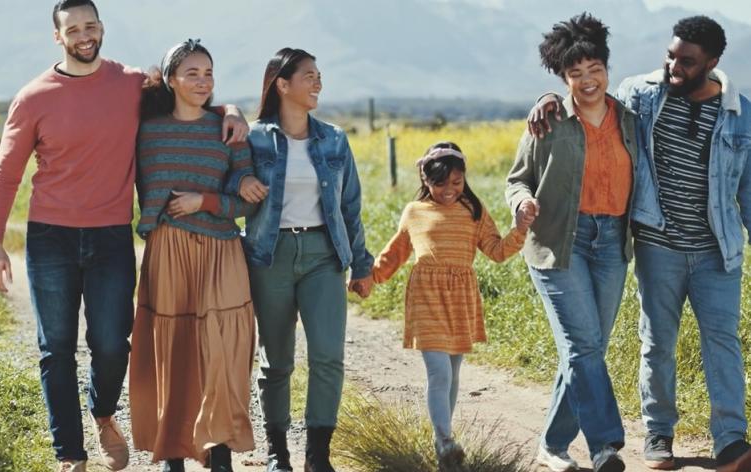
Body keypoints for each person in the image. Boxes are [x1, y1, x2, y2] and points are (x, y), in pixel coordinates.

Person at [0, 2, 247, 471]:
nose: (85, 35)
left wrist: (232, 108)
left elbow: (188, 90)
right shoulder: (33, 96)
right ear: (57, 37)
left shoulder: (129, 84)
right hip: (50, 236)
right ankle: (70, 453)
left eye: (92, 26)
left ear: (101, 29)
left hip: (109, 235)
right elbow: (6, 171)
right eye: (74, 29)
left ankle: (103, 414)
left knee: (110, 342)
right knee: (55, 346)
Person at [528, 15, 751, 472]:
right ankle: (656, 435)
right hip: (656, 244)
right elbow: (585, 95)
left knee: (721, 342)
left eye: (686, 61)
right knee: (654, 343)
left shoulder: (741, 114)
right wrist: (548, 96)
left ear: (711, 62)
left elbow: (747, 190)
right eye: (670, 55)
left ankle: (731, 440)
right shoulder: (642, 95)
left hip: (717, 251)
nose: (674, 66)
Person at [507, 13, 638, 472]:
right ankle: (606, 445)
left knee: (586, 350)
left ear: (606, 67)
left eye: (594, 70)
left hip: (611, 245)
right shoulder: (548, 121)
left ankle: (552, 444)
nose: (587, 81)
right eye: (574, 74)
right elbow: (517, 180)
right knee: (583, 345)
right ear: (564, 79)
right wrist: (521, 204)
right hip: (559, 243)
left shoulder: (631, 120)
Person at [236, 47, 373, 472]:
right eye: (309, 75)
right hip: (268, 255)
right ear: (282, 83)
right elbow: (228, 187)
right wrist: (241, 180)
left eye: (319, 75)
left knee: (328, 355)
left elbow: (350, 205)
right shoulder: (253, 138)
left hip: (323, 255)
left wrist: (362, 263)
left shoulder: (334, 138)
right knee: (277, 359)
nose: (318, 82)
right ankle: (278, 451)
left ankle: (318, 457)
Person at [128, 39, 260, 472]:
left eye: (209, 73)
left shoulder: (228, 130)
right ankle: (172, 453)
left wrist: (205, 201)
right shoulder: (145, 130)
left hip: (222, 249)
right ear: (170, 80)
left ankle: (218, 447)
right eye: (192, 74)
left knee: (222, 349)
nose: (203, 82)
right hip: (168, 248)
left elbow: (248, 200)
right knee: (175, 349)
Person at [371, 141, 533, 470]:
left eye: (456, 183)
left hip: (460, 299)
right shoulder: (414, 212)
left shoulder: (474, 211)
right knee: (439, 372)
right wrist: (367, 277)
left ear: (464, 179)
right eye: (440, 183)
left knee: (454, 373)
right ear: (425, 180)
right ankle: (445, 441)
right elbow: (394, 254)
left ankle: (441, 442)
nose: (449, 190)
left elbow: (497, 251)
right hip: (426, 298)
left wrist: (520, 228)